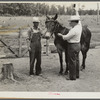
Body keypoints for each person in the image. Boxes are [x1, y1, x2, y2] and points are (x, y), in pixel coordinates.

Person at [58, 15, 82, 80]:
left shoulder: (73, 30)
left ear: (74, 22)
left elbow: (66, 38)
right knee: (76, 60)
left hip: (72, 46)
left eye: (71, 22)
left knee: (71, 61)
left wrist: (61, 35)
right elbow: (79, 22)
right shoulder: (79, 27)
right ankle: (77, 74)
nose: (70, 23)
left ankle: (72, 77)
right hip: (78, 45)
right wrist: (75, 11)